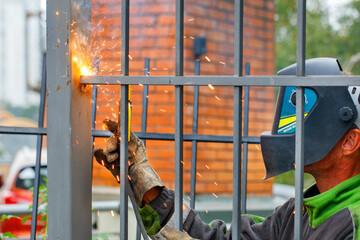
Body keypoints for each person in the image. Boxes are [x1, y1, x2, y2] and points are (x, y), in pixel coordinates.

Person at [94, 58, 360, 239]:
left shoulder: (353, 221)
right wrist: (143, 179)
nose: (290, 129)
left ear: (350, 142)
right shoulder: (297, 212)